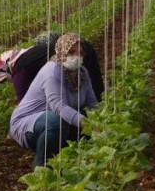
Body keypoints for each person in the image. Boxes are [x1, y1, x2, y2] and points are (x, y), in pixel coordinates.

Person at [8, 33, 99, 167]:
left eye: (80, 53)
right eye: (72, 52)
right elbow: (58, 106)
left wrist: (102, 122)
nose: (76, 57)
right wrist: (88, 124)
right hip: (29, 122)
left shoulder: (82, 73)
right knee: (57, 121)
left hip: (59, 122)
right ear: (62, 51)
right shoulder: (52, 70)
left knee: (81, 123)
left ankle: (74, 164)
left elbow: (92, 103)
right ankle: (43, 168)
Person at [5, 31, 105, 105]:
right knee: (92, 85)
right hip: (81, 45)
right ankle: (98, 110)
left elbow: (24, 103)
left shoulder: (20, 71)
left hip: (76, 52)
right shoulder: (33, 55)